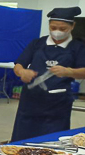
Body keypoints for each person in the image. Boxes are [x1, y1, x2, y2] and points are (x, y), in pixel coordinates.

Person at [11, 7, 85, 142]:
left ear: (72, 26)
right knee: (22, 141)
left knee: (51, 143)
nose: (57, 32)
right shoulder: (37, 43)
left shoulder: (77, 47)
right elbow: (18, 64)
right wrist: (22, 72)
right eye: (53, 27)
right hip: (30, 103)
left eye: (62, 29)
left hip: (57, 105)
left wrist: (69, 71)